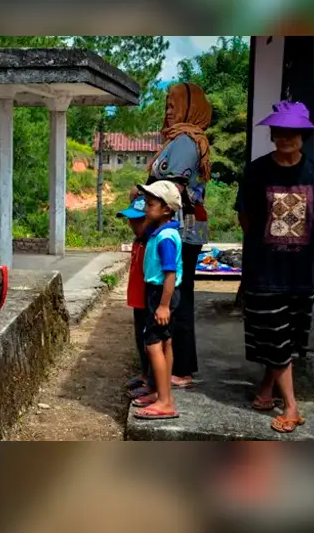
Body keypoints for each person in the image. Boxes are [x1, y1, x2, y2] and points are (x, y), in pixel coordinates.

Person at [234, 101, 314, 434]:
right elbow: (245, 217)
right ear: (272, 135)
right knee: (275, 337)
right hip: (265, 271)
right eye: (279, 132)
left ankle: (268, 389)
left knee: (291, 340)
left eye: (291, 132)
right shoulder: (256, 171)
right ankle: (292, 407)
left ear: (303, 135)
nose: (285, 137)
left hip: (303, 273)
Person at [137, 82, 213, 387]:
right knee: (179, 296)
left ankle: (179, 367)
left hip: (180, 228)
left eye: (174, 106)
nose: (168, 112)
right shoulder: (181, 140)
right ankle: (174, 366)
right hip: (187, 226)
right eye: (167, 106)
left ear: (190, 108)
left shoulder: (184, 141)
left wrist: (138, 196)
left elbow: (169, 188)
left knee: (174, 297)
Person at [132, 180, 183, 420]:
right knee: (165, 343)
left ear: (166, 210)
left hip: (161, 293)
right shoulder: (161, 232)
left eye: (151, 204)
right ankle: (161, 394)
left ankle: (165, 401)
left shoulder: (165, 238)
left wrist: (163, 305)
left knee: (153, 345)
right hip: (161, 294)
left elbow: (170, 273)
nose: (145, 208)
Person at [118, 194, 153, 398]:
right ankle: (143, 373)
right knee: (139, 338)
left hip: (148, 300)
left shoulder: (152, 242)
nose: (132, 224)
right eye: (130, 219)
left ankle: (150, 379)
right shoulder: (138, 241)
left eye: (137, 220)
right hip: (137, 300)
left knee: (150, 341)